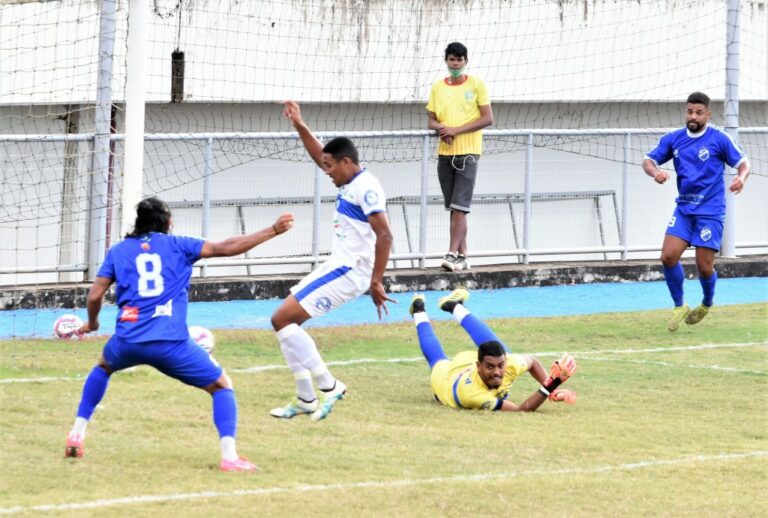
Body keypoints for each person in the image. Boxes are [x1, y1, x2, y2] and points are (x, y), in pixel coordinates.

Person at [65, 196, 295, 472]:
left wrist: (91, 323)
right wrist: (272, 230)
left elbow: (94, 295)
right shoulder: (179, 245)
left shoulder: (118, 251)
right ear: (169, 222)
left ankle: (77, 432)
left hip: (127, 340)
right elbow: (226, 248)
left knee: (102, 368)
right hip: (170, 343)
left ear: (137, 223)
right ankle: (229, 457)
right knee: (222, 385)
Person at [270, 100, 395, 421]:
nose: (325, 171)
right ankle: (305, 398)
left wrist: (376, 281)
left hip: (350, 270)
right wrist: (299, 124)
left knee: (281, 319)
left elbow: (385, 236)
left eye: (330, 166)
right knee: (285, 323)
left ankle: (328, 386)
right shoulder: (350, 179)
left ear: (346, 162)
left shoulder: (366, 188)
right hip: (338, 265)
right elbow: (318, 153)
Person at [642, 91, 750, 332]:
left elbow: (743, 162)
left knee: (703, 267)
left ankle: (706, 303)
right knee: (668, 256)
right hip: (684, 209)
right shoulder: (674, 139)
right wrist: (655, 172)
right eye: (690, 111)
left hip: (710, 212)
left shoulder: (719, 139)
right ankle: (679, 305)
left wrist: (741, 178)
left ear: (707, 114)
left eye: (698, 112)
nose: (693, 116)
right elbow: (648, 160)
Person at [408, 288, 577, 412]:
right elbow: (520, 410)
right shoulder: (472, 395)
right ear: (479, 365)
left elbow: (532, 362)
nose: (497, 372)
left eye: (500, 366)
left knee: (501, 350)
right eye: (490, 367)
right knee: (436, 359)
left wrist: (552, 391)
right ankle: (419, 311)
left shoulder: (508, 364)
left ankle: (454, 306)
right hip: (447, 382)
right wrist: (550, 385)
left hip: (469, 365)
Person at [426, 42, 494, 272]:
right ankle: (464, 255)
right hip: (445, 153)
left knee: (460, 207)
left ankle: (451, 252)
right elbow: (431, 120)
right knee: (454, 209)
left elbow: (487, 118)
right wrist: (442, 129)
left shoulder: (476, 85)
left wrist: (457, 130)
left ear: (466, 61)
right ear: (446, 60)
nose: (455, 63)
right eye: (452, 59)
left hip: (468, 153)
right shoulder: (437, 87)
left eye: (459, 59)